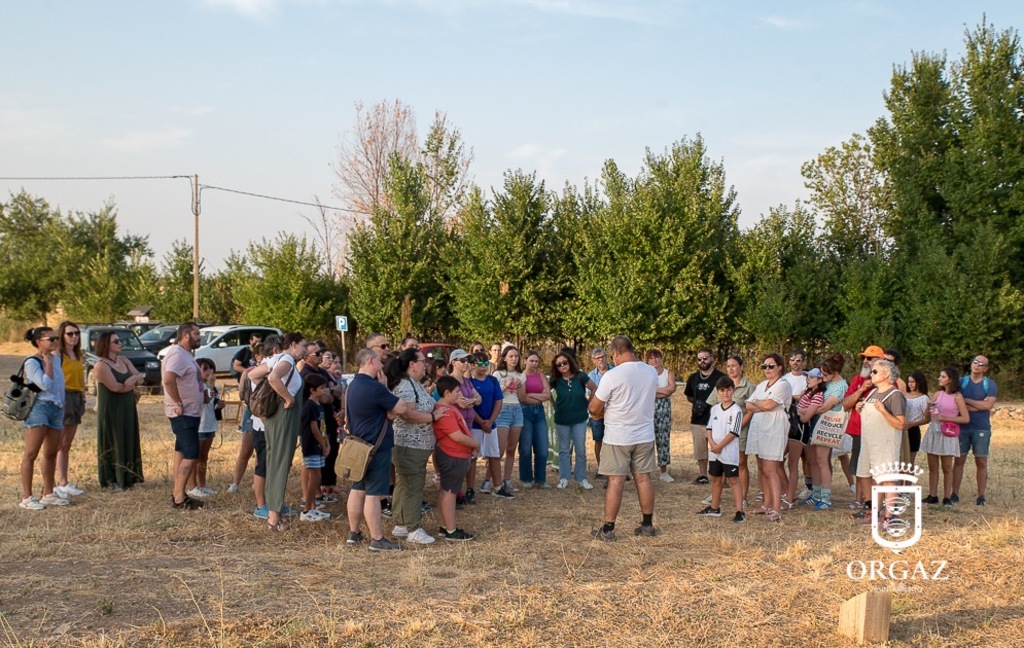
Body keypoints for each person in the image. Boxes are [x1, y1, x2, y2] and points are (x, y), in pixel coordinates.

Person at [588, 335, 659, 541]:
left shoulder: (612, 375)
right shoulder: (650, 371)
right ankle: (647, 524)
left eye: (613, 355)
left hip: (618, 436)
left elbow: (594, 408)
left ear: (616, 353)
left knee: (615, 481)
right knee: (644, 478)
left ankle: (608, 528)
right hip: (644, 434)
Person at [346, 348, 415, 552]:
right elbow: (401, 407)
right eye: (379, 361)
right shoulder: (375, 387)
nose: (382, 365)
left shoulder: (352, 385)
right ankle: (377, 539)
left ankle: (353, 533)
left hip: (359, 445)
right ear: (370, 361)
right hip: (376, 445)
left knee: (358, 488)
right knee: (374, 493)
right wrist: (386, 388)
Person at [247, 332, 307, 532]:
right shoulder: (287, 359)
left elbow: (252, 375)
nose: (304, 351)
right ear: (293, 344)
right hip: (284, 417)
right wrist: (287, 397)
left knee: (274, 463)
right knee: (280, 463)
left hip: (274, 418)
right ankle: (274, 518)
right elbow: (273, 378)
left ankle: (274, 512)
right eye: (303, 346)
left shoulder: (274, 359)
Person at [387, 348, 444, 545]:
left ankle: (401, 524)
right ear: (412, 364)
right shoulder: (405, 385)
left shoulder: (414, 383)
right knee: (413, 486)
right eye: (422, 361)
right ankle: (413, 528)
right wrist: (433, 417)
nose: (425, 365)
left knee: (404, 484)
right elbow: (407, 414)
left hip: (413, 445)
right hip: (409, 445)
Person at [18, 327, 69, 510]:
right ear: (39, 342)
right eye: (51, 339)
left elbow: (59, 385)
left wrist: (61, 402)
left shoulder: (56, 359)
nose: (56, 342)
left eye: (57, 338)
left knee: (51, 453)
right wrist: (47, 363)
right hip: (39, 408)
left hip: (56, 408)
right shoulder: (32, 362)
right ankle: (27, 497)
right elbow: (45, 385)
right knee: (31, 453)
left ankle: (48, 493)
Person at [854, 359, 907, 525]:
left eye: (875, 371)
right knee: (874, 479)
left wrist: (883, 411)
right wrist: (860, 409)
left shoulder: (895, 395)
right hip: (869, 443)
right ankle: (874, 514)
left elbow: (901, 424)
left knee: (888, 479)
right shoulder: (872, 393)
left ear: (887, 374)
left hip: (885, 444)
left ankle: (890, 517)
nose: (871, 374)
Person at [93, 330, 145, 491]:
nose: (120, 343)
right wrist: (132, 381)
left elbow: (140, 378)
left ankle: (130, 476)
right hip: (112, 409)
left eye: (119, 340)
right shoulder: (101, 365)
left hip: (127, 407)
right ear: (106, 344)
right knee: (114, 439)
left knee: (129, 437)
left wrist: (133, 378)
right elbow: (115, 387)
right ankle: (112, 479)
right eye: (116, 341)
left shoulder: (124, 360)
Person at [432, 376, 481, 541]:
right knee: (450, 493)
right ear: (447, 393)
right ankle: (451, 530)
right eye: (457, 392)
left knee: (446, 491)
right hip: (453, 455)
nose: (460, 394)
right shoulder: (445, 411)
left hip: (453, 454)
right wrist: (476, 444)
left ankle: (445, 526)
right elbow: (457, 436)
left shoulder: (447, 408)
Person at [745, 353, 792, 522]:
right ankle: (766, 504)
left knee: (771, 468)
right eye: (764, 366)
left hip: (774, 428)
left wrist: (760, 403)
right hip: (759, 428)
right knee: (762, 467)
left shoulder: (783, 385)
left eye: (771, 366)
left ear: (779, 367)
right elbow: (748, 405)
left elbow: (769, 405)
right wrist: (762, 405)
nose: (767, 369)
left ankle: (776, 508)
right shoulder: (762, 385)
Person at [162, 323, 205, 510]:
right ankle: (179, 498)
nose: (199, 336)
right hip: (183, 413)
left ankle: (178, 493)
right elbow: (168, 379)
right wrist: (178, 402)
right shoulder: (177, 355)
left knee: (181, 450)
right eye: (196, 333)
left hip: (191, 412)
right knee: (191, 453)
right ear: (185, 335)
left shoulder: (186, 354)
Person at [299, 340, 345, 502]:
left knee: (322, 460)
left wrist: (339, 406)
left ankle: (319, 493)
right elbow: (326, 396)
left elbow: (338, 391)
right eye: (317, 353)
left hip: (327, 421)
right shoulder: (306, 375)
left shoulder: (322, 371)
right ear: (306, 357)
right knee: (310, 463)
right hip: (313, 424)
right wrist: (331, 392)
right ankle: (309, 498)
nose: (321, 355)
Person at [706, 355, 755, 504]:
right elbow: (713, 405)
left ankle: (743, 498)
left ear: (741, 367)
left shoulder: (749, 387)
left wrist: (737, 427)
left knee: (740, 463)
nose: (731, 369)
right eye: (728, 366)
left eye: (734, 365)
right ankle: (716, 496)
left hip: (740, 430)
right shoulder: (721, 384)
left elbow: (750, 410)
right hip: (720, 431)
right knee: (719, 463)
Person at [698, 376, 744, 522]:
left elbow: (734, 432)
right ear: (718, 392)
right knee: (716, 479)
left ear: (733, 390)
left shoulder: (736, 410)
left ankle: (740, 511)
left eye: (728, 390)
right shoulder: (715, 409)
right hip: (715, 452)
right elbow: (709, 428)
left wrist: (720, 446)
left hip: (729, 452)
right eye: (722, 391)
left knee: (733, 479)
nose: (725, 393)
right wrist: (713, 444)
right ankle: (714, 507)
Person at [920, 367, 969, 506]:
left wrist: (945, 418)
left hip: (947, 433)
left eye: (943, 377)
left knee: (947, 467)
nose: (939, 379)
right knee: (932, 466)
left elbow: (965, 418)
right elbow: (928, 415)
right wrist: (928, 407)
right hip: (934, 431)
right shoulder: (937, 394)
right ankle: (932, 495)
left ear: (950, 379)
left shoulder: (957, 397)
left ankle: (947, 497)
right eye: (940, 376)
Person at [843, 345, 884, 509]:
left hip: (878, 432)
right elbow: (846, 404)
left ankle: (876, 502)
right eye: (864, 358)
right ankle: (860, 500)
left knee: (876, 469)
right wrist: (861, 389)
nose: (865, 361)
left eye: (869, 358)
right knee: (860, 467)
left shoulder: (888, 381)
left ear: (880, 361)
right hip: (858, 430)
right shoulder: (857, 380)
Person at [953, 355, 997, 505]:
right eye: (975, 361)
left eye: (981, 364)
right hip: (962, 427)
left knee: (981, 461)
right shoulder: (961, 382)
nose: (977, 365)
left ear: (985, 369)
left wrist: (965, 401)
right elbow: (955, 403)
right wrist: (979, 405)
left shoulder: (989, 384)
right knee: (959, 460)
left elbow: (988, 406)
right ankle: (954, 493)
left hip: (981, 428)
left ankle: (981, 496)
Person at [550, 350, 596, 490]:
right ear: (556, 368)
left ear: (569, 362)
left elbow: (594, 388)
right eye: (559, 364)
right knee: (564, 450)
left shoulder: (580, 376)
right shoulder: (555, 380)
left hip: (579, 418)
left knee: (580, 449)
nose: (562, 366)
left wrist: (590, 404)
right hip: (562, 419)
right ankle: (564, 478)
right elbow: (546, 392)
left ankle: (581, 478)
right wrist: (554, 404)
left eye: (564, 362)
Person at [808, 354, 848, 510]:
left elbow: (824, 407)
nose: (823, 377)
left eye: (826, 374)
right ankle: (816, 493)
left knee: (822, 460)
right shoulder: (829, 383)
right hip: (817, 423)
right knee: (814, 460)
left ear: (835, 372)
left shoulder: (840, 386)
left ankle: (825, 497)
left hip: (827, 424)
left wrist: (806, 410)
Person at [247, 336, 281, 520]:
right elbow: (258, 401)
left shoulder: (274, 367)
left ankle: (274, 503)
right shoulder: (264, 369)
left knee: (274, 466)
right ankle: (261, 505)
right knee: (263, 465)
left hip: (273, 425)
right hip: (262, 426)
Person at [227, 343, 266, 494]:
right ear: (257, 356)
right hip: (251, 412)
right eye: (264, 354)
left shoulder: (271, 370)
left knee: (262, 450)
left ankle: (257, 483)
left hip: (266, 413)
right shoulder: (248, 372)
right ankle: (235, 483)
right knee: (246, 450)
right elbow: (242, 394)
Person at [684, 350, 725, 484]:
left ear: (712, 359)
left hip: (716, 420)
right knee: (700, 449)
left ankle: (719, 475)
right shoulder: (693, 378)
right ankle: (703, 475)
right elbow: (689, 396)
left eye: (705, 358)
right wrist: (698, 404)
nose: (702, 361)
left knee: (718, 448)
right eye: (699, 359)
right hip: (698, 420)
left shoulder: (721, 377)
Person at [54, 321, 86, 498]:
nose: (74, 337)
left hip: (76, 397)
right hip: (64, 396)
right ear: (62, 335)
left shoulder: (78, 354)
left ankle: (64, 482)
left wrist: (83, 396)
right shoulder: (58, 354)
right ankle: (53, 484)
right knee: (57, 443)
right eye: (70, 334)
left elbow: (80, 377)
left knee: (66, 444)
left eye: (76, 333)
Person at [448, 349, 483, 500]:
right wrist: (473, 401)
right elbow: (462, 403)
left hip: (468, 424)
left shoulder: (467, 381)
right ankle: (454, 493)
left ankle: (462, 490)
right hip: (456, 425)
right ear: (453, 362)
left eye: (467, 360)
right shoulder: (450, 381)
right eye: (462, 360)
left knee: (466, 459)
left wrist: (472, 401)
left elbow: (479, 399)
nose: (466, 363)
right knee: (457, 459)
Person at [469, 351, 504, 497]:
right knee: (472, 458)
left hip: (491, 425)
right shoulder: (469, 382)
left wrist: (490, 421)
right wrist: (480, 422)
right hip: (475, 425)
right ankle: (470, 489)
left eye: (485, 363)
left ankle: (498, 487)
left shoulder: (493, 381)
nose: (483, 366)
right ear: (472, 365)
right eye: (480, 363)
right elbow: (469, 406)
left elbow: (498, 401)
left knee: (494, 455)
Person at [492, 346, 525, 497]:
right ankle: (493, 481)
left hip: (517, 410)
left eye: (516, 356)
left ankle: (507, 479)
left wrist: (520, 386)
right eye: (511, 356)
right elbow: (495, 394)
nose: (514, 359)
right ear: (504, 358)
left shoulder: (521, 375)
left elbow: (522, 397)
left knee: (511, 449)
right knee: (499, 450)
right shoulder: (497, 374)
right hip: (502, 410)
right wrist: (506, 384)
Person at [186, 358, 221, 498]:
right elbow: (205, 399)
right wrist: (210, 386)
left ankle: (202, 485)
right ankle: (192, 486)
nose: (209, 371)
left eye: (211, 368)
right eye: (205, 368)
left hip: (210, 424)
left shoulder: (211, 386)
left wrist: (219, 404)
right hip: (199, 425)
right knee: (194, 457)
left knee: (203, 457)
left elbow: (213, 402)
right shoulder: (197, 385)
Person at [299, 373, 331, 522]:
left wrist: (327, 443)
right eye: (322, 388)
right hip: (311, 446)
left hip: (318, 445)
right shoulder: (309, 406)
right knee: (315, 476)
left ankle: (312, 507)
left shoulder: (319, 405)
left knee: (317, 476)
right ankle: (306, 510)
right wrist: (323, 444)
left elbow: (322, 427)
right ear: (312, 390)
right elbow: (314, 429)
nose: (325, 391)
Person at [519, 349, 551, 489]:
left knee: (542, 448)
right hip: (525, 412)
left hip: (539, 412)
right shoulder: (521, 376)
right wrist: (539, 396)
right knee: (526, 447)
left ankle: (541, 479)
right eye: (531, 361)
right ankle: (526, 478)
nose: (534, 363)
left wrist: (531, 395)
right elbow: (522, 398)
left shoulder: (540, 375)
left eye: (536, 361)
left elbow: (548, 395)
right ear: (525, 361)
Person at [794, 368, 826, 505]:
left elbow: (806, 417)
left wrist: (798, 411)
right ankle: (814, 492)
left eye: (811, 377)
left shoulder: (818, 395)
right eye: (807, 377)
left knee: (815, 462)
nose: (808, 380)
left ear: (819, 380)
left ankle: (818, 494)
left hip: (811, 430)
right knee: (810, 462)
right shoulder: (808, 392)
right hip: (806, 431)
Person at [645, 349, 677, 482]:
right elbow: (645, 391)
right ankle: (645, 470)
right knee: (646, 439)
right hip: (648, 407)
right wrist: (663, 390)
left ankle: (664, 471)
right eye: (651, 358)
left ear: (661, 359)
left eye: (656, 357)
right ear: (647, 361)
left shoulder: (668, 373)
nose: (654, 360)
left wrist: (654, 391)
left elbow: (671, 389)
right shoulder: (645, 374)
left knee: (663, 438)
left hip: (664, 407)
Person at [587, 347, 613, 476]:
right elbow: (588, 395)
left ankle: (618, 470)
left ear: (607, 357)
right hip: (597, 413)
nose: (601, 360)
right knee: (598, 440)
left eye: (602, 357)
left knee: (615, 441)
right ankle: (601, 469)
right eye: (597, 358)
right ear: (593, 360)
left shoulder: (616, 371)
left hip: (614, 412)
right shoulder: (590, 376)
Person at [903, 371, 930, 468]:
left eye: (913, 382)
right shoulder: (903, 395)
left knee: (909, 463)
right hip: (900, 428)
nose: (910, 384)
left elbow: (927, 419)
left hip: (913, 430)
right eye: (909, 381)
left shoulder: (923, 398)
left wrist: (913, 424)